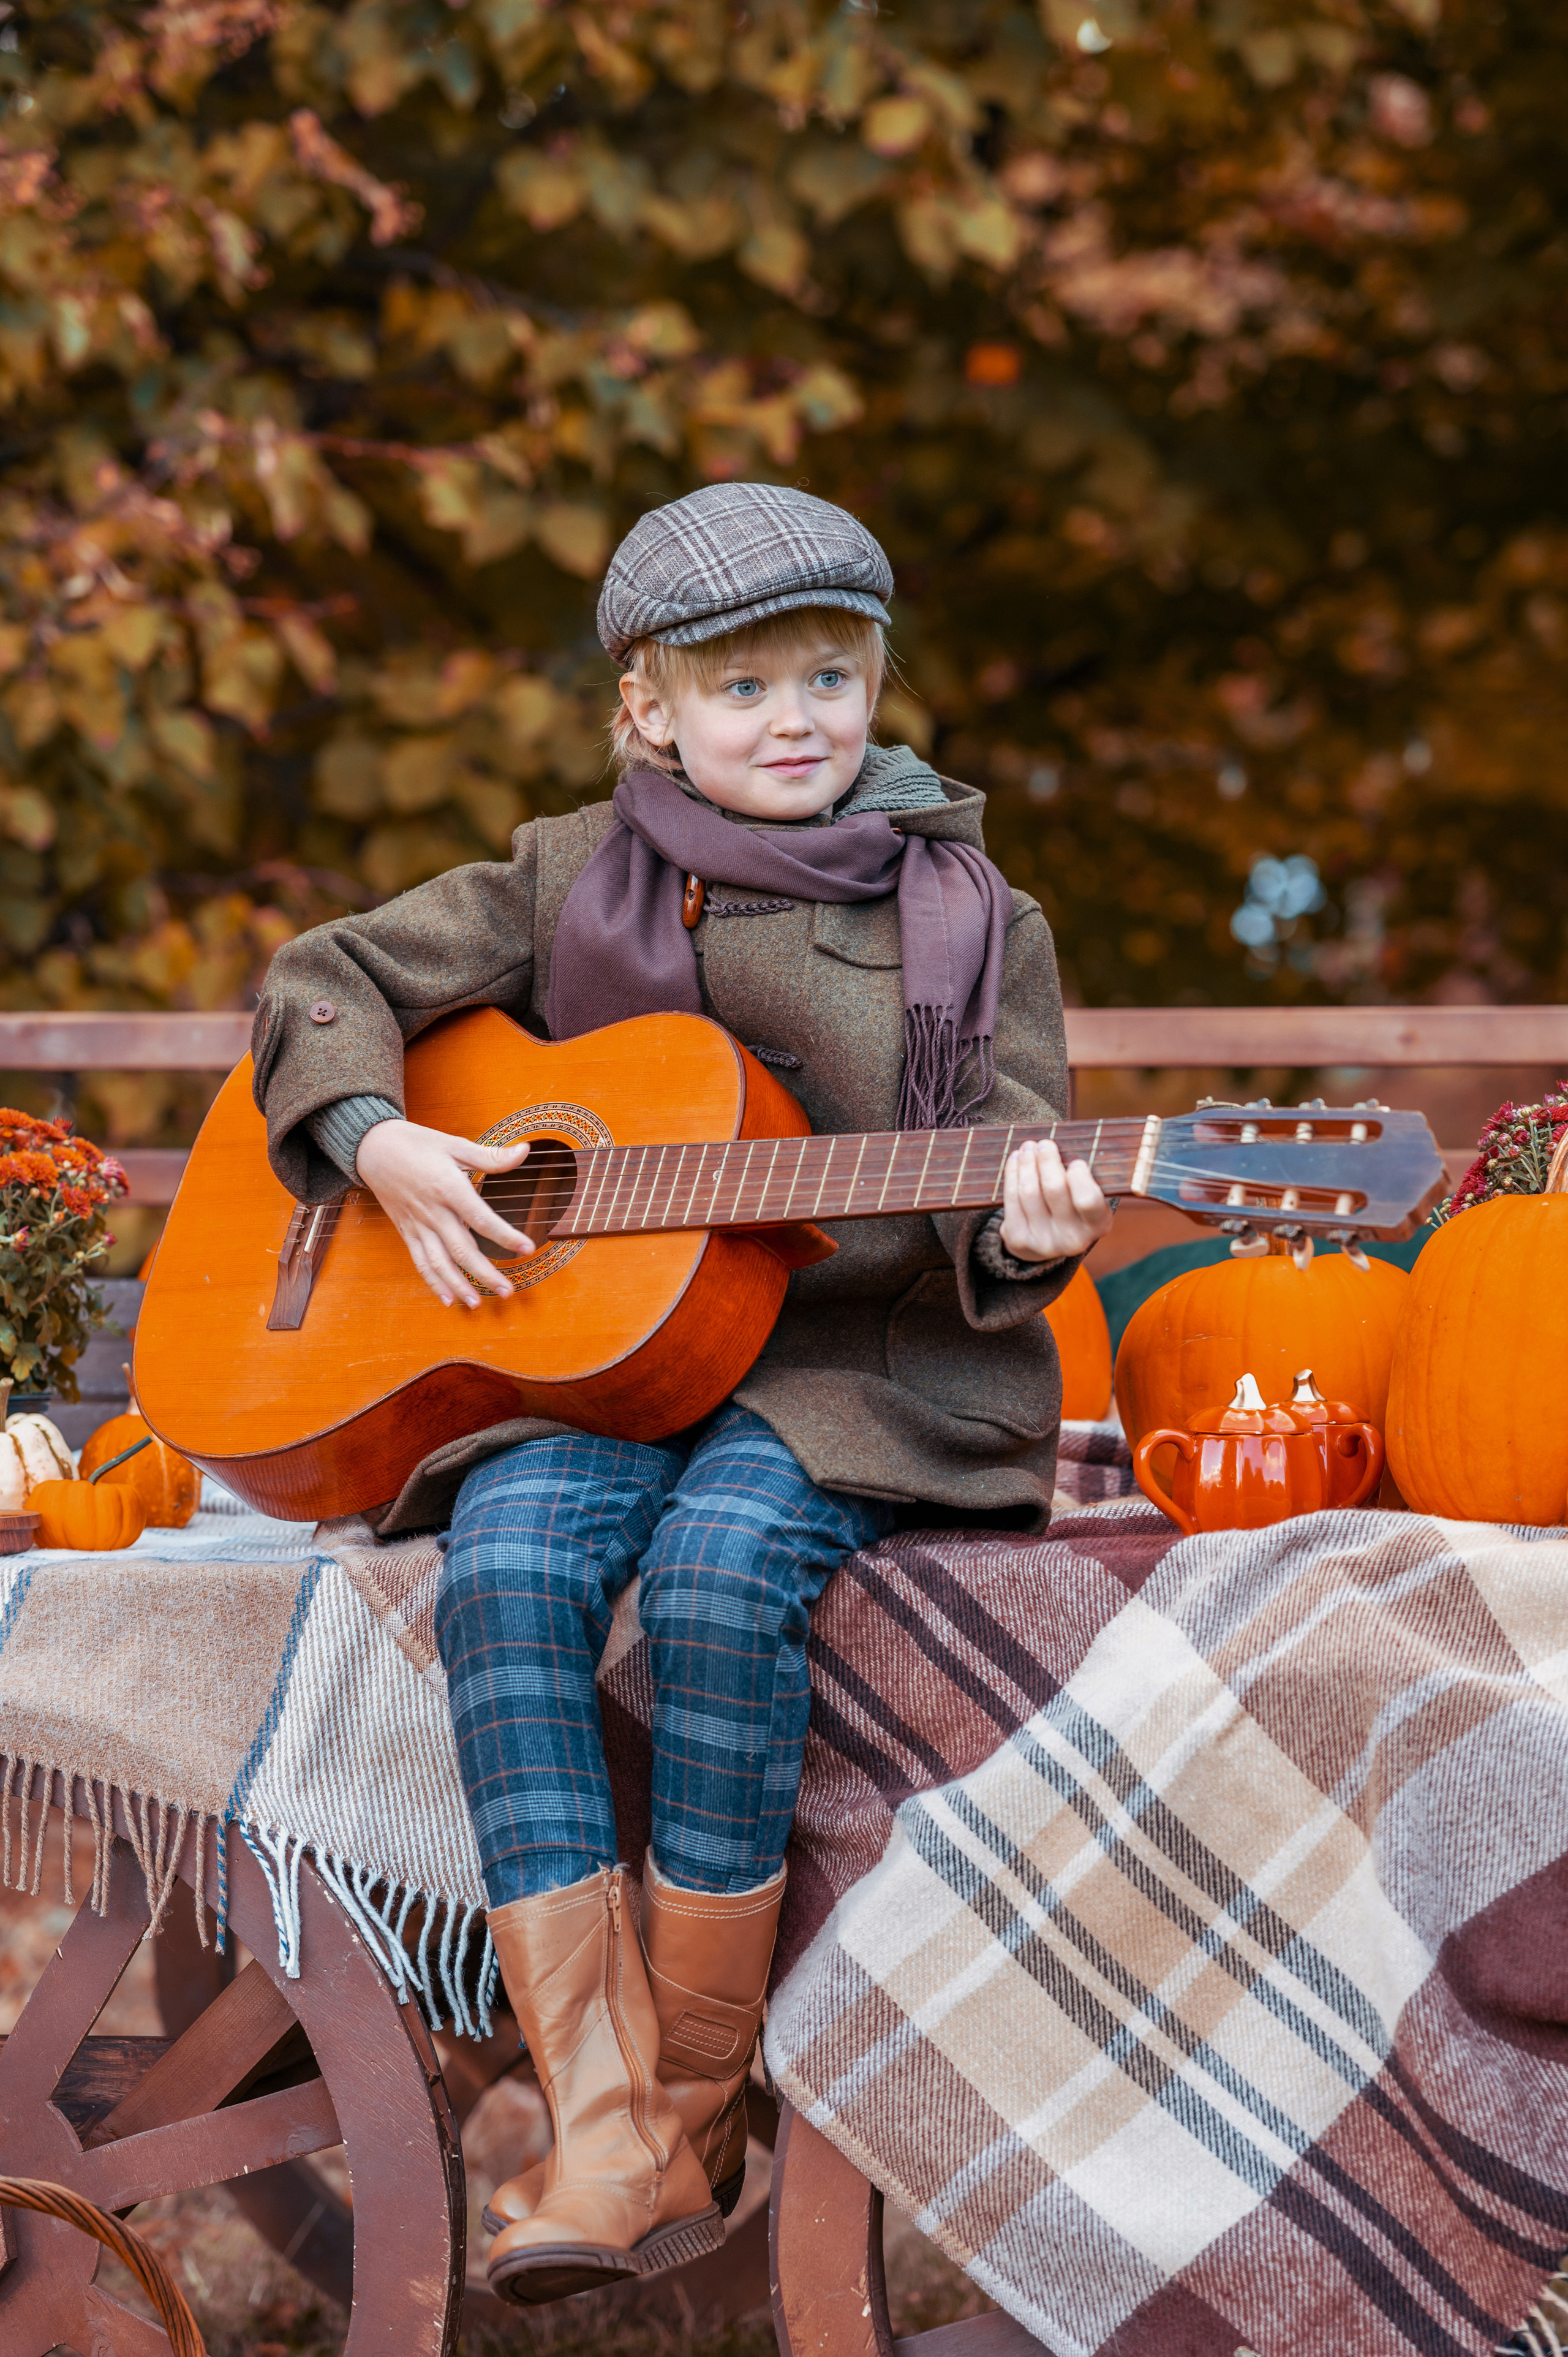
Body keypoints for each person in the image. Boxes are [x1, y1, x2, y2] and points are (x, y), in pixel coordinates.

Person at [251, 481, 1112, 2306]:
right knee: (509, 1569)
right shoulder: (570, 873)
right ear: (650, 712)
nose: (797, 719)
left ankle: (689, 2120)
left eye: (832, 676)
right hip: (595, 1359)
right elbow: (330, 980)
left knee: (725, 1572)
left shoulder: (974, 917)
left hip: (852, 1371)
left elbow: (1017, 1150)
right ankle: (611, 2118)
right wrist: (386, 1143)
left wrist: (1032, 1229)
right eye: (745, 690)